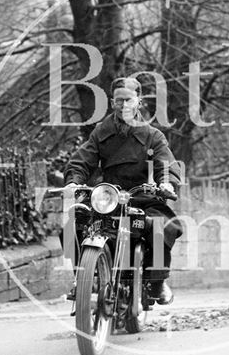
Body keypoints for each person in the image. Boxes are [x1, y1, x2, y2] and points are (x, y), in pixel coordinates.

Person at [63, 77, 182, 305]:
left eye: (128, 100)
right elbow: (82, 161)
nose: (123, 105)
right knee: (74, 223)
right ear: (112, 102)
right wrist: (74, 181)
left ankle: (156, 281)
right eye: (118, 100)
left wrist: (166, 183)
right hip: (108, 197)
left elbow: (165, 163)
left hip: (141, 196)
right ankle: (85, 277)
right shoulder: (100, 133)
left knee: (162, 226)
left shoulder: (152, 135)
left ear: (138, 101)